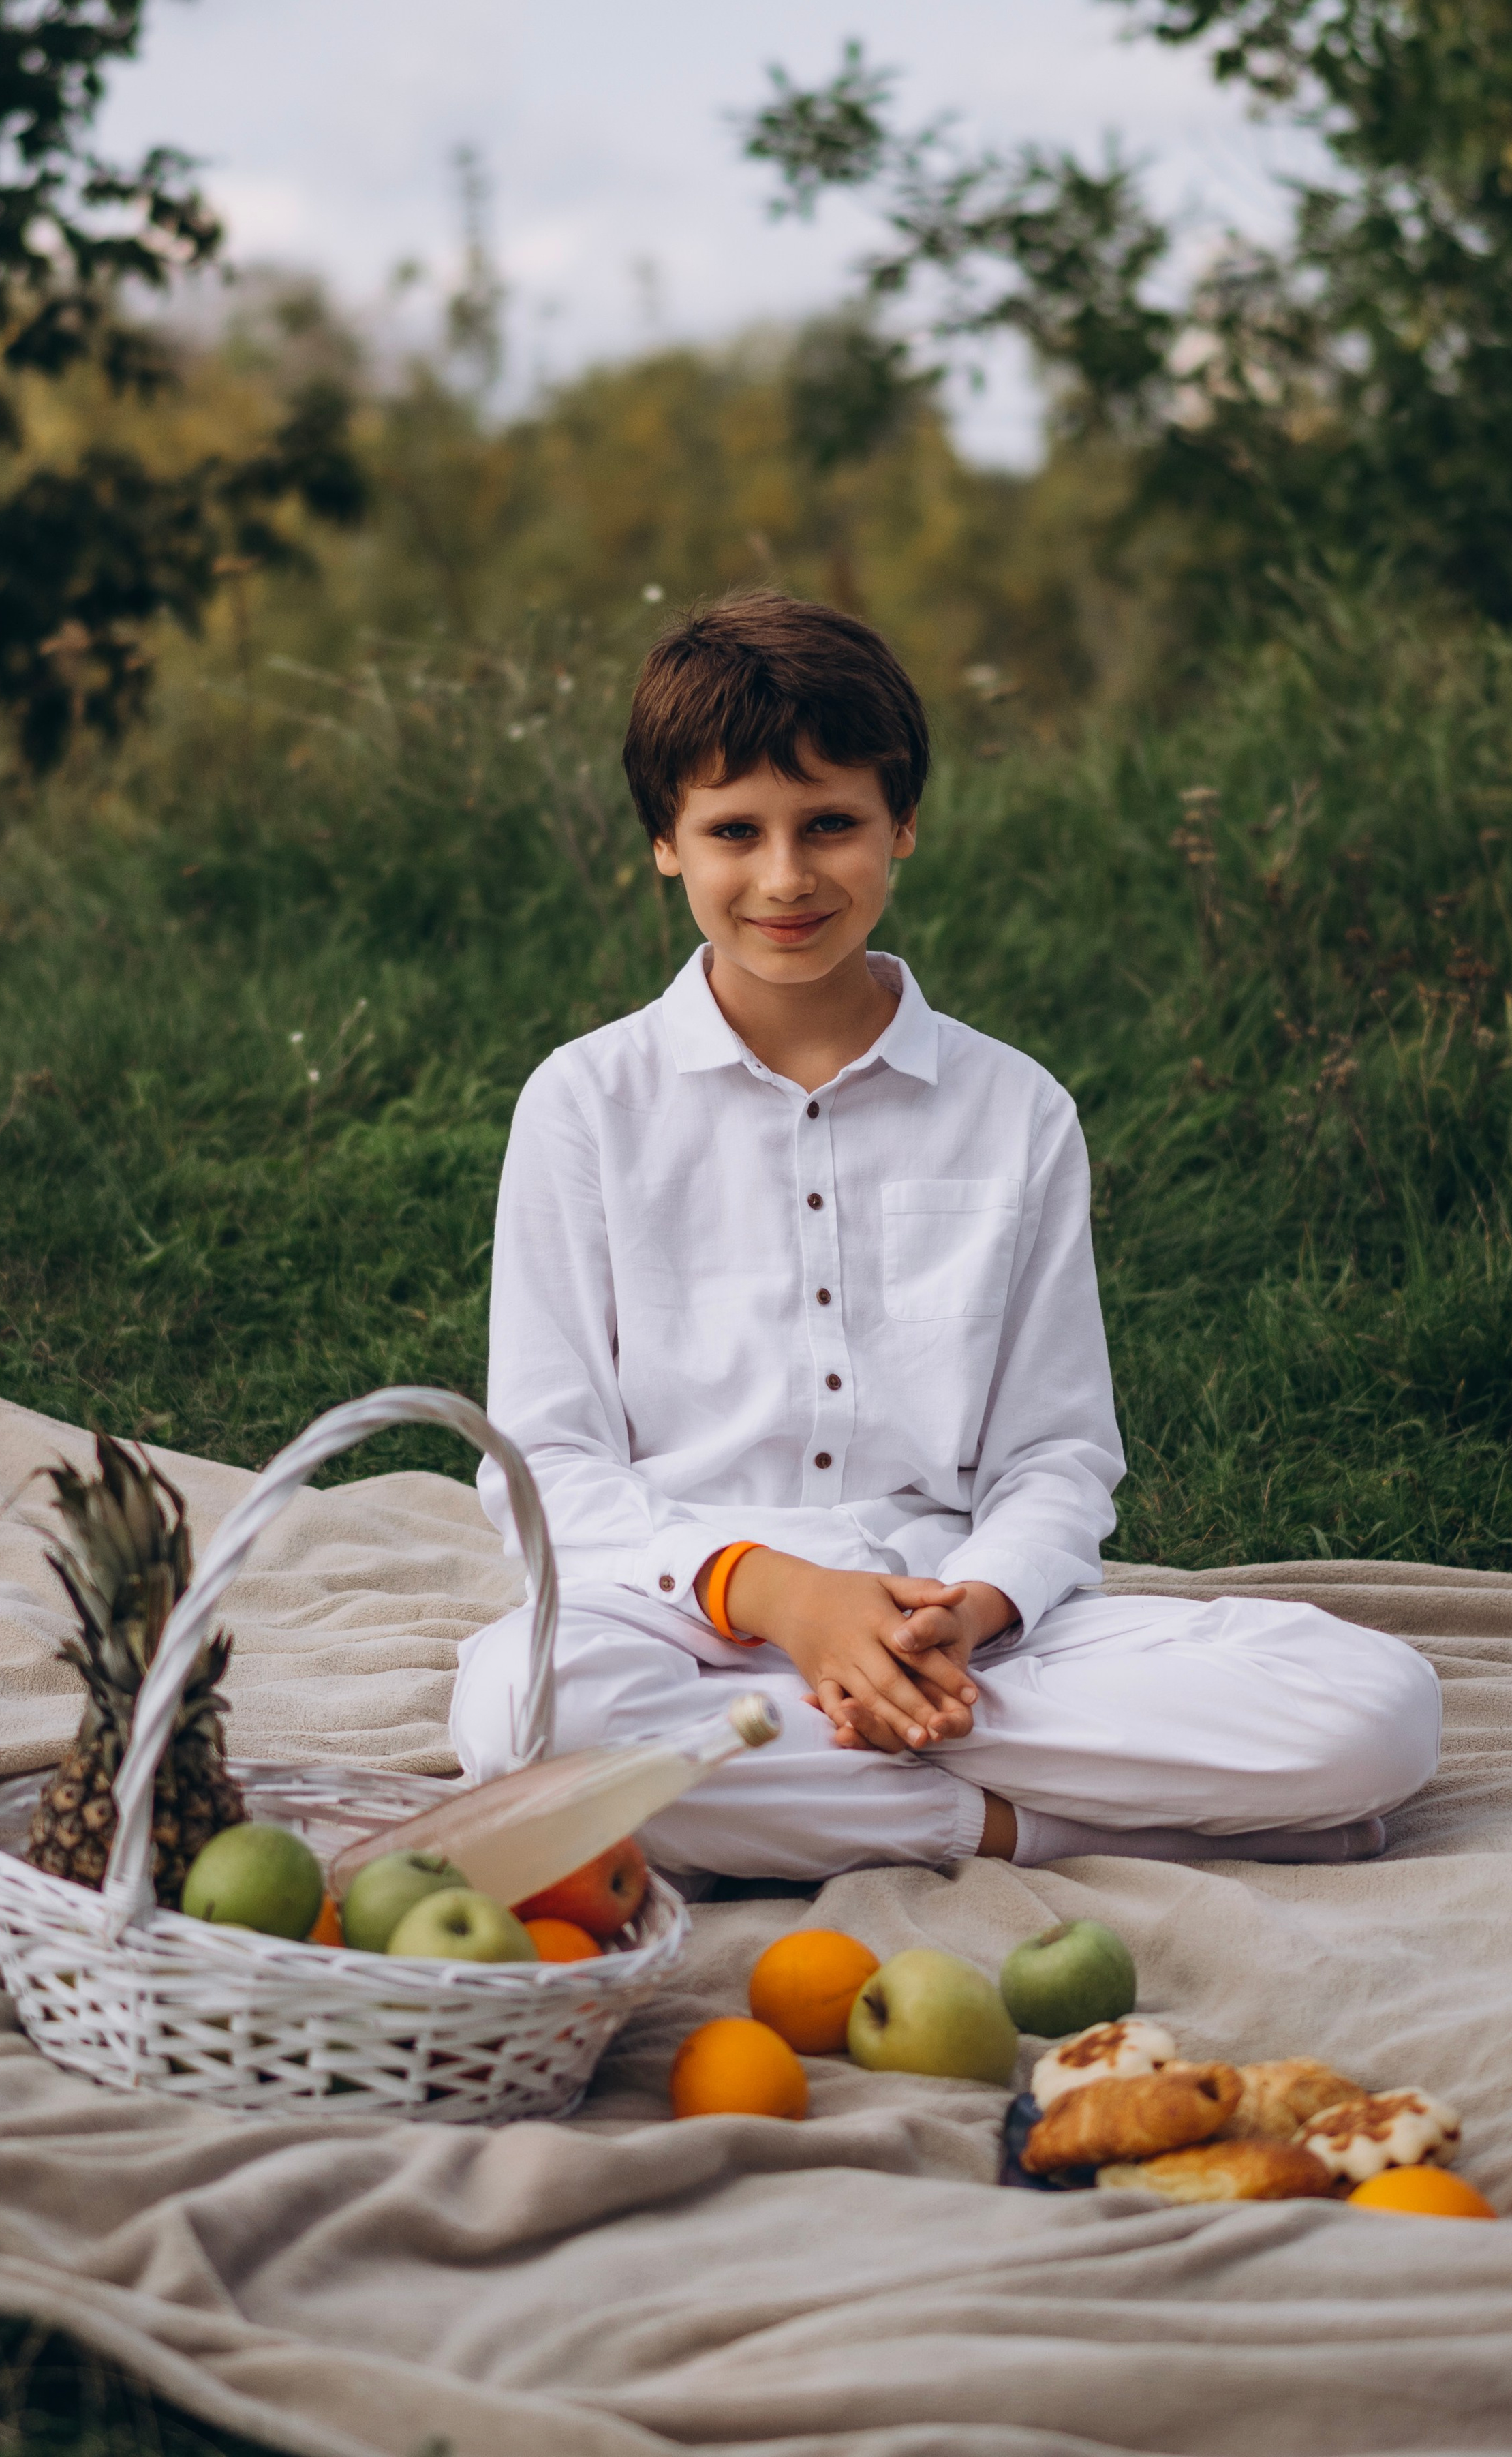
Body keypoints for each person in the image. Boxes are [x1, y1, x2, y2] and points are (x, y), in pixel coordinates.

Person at [450, 593, 1441, 1878]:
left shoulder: (1017, 1110)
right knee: (522, 1722)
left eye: (832, 826)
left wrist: (968, 1612)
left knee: (1380, 1707)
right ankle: (1034, 1826)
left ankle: (801, 1783)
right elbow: (546, 1464)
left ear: (903, 823)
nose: (787, 877)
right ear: (664, 843)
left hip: (963, 1625)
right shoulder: (584, 1105)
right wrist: (782, 1595)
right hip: (677, 1612)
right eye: (735, 831)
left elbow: (1055, 1454)